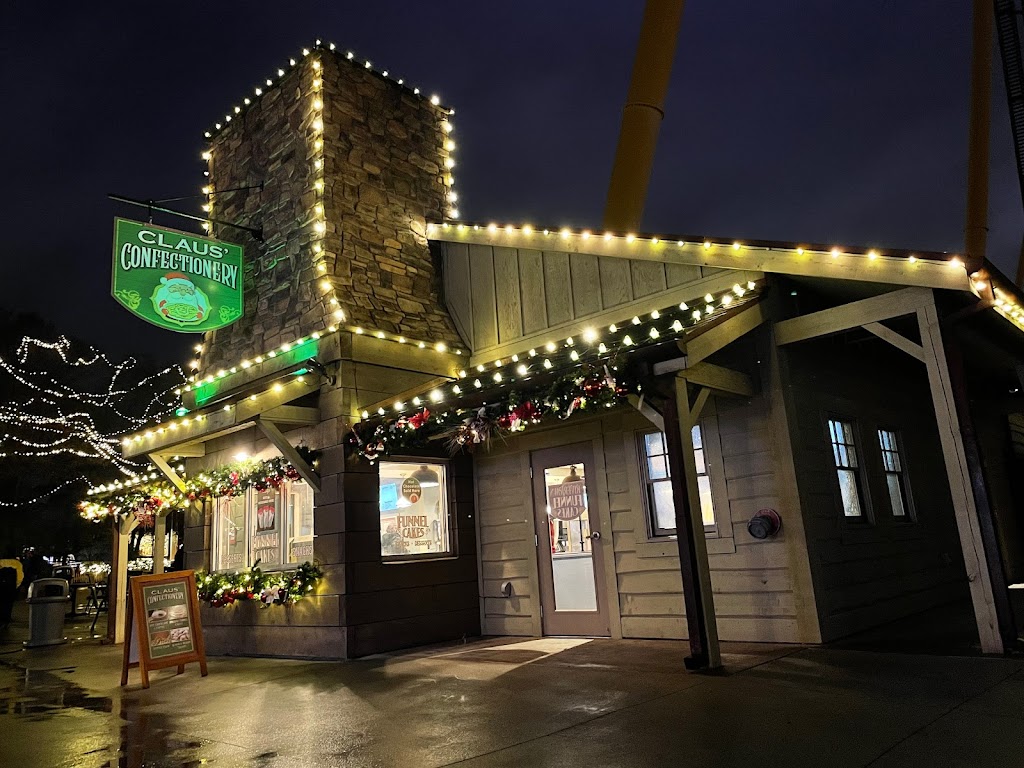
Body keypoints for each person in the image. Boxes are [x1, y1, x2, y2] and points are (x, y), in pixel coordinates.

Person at [0, 549, 23, 626]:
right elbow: (20, 576)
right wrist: (17, 585)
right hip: (11, 586)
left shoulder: (1, 562)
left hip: (1, 585)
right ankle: (7, 618)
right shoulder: (17, 564)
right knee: (9, 603)